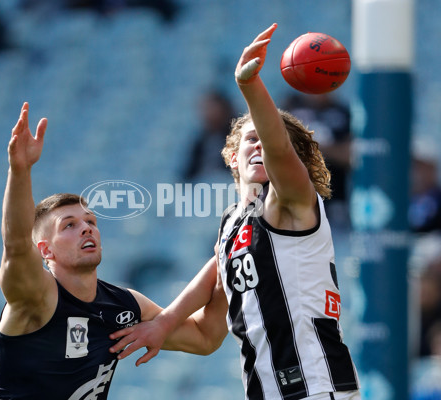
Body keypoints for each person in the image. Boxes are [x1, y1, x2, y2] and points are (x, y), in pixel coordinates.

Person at [110, 23, 360, 399]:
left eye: (270, 138)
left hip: (317, 387)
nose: (262, 145)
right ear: (230, 155)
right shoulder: (232, 225)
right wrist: (160, 322)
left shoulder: (292, 203)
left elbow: (279, 152)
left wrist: (250, 86)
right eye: (250, 138)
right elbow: (208, 319)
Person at [0, 102, 228, 399]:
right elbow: (15, 245)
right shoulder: (36, 298)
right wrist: (20, 170)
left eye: (90, 221)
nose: (87, 228)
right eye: (69, 225)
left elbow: (206, 338)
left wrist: (227, 261)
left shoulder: (124, 306)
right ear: (45, 250)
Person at [281, 92, 352, 229]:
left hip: (335, 198)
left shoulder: (342, 112)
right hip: (295, 197)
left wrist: (309, 146)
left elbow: (350, 155)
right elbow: (280, 148)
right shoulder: (290, 107)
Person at [181, 89, 237, 181]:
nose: (208, 113)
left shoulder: (237, 136)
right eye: (205, 109)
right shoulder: (201, 140)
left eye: (212, 108)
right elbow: (189, 171)